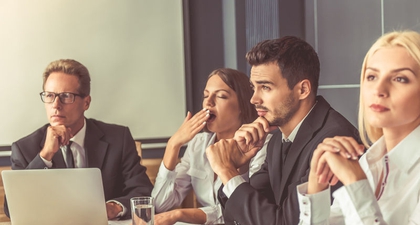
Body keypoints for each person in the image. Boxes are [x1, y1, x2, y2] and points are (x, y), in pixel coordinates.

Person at [205, 36, 360, 225]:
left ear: (303, 89)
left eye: (265, 87)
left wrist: (226, 170)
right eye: (254, 88)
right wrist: (240, 168)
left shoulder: (334, 139)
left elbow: (285, 222)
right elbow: (243, 217)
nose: (254, 99)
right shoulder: (276, 139)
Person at [297, 30, 420, 224]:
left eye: (400, 79)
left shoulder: (357, 172)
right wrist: (316, 189)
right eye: (371, 77)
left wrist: (356, 185)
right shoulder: (367, 163)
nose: (378, 90)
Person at [5, 59, 153, 220]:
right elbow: (12, 208)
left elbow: (143, 191)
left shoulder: (119, 138)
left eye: (66, 96)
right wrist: (45, 156)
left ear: (86, 102)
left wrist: (114, 207)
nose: (56, 105)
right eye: (49, 96)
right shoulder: (24, 148)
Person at [151, 68, 271, 225]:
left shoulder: (261, 145)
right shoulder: (198, 144)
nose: (208, 102)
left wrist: (180, 214)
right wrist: (173, 145)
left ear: (242, 104)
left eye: (220, 96)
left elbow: (242, 210)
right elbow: (160, 205)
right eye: (206, 95)